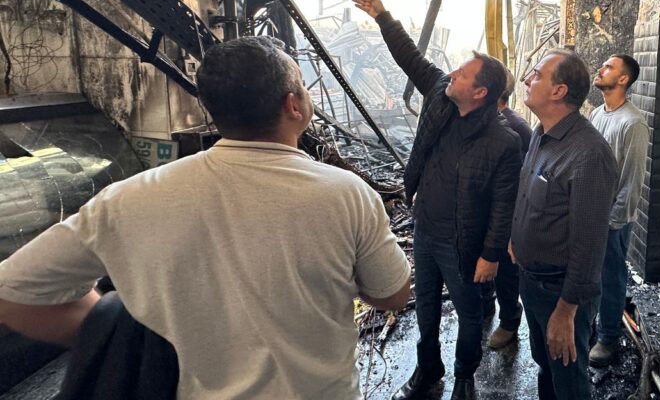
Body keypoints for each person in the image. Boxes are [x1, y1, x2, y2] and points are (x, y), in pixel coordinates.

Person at [0, 36, 411, 399]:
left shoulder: (129, 199)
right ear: (293, 104)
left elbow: (12, 293)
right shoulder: (348, 194)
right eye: (304, 87)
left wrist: (108, 321)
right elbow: (393, 294)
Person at [352, 0, 522, 400]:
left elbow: (504, 205)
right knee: (425, 306)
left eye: (462, 74)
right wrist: (383, 16)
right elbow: (410, 58)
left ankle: (465, 376)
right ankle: (429, 371)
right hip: (426, 232)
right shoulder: (439, 97)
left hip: (465, 244)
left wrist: (491, 255)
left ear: (480, 93)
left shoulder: (504, 141)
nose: (452, 76)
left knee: (468, 314)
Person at [509, 49, 617, 400]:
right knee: (546, 365)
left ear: (558, 91)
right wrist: (516, 239)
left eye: (537, 74)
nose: (527, 79)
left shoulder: (588, 154)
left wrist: (566, 311)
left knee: (569, 380)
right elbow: (529, 195)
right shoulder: (541, 134)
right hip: (532, 281)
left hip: (560, 292)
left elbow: (590, 244)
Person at [588, 54, 649, 367]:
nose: (601, 69)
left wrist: (614, 222)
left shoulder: (633, 122)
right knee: (589, 276)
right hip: (590, 215)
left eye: (609, 67)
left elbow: (632, 180)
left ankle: (609, 336)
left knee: (611, 278)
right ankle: (590, 329)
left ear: (623, 79)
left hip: (613, 220)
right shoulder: (598, 114)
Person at [482, 71, 532, 350]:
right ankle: (486, 304)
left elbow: (522, 182)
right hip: (482, 213)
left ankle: (510, 320)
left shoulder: (517, 128)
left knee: (506, 272)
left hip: (506, 216)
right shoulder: (481, 122)